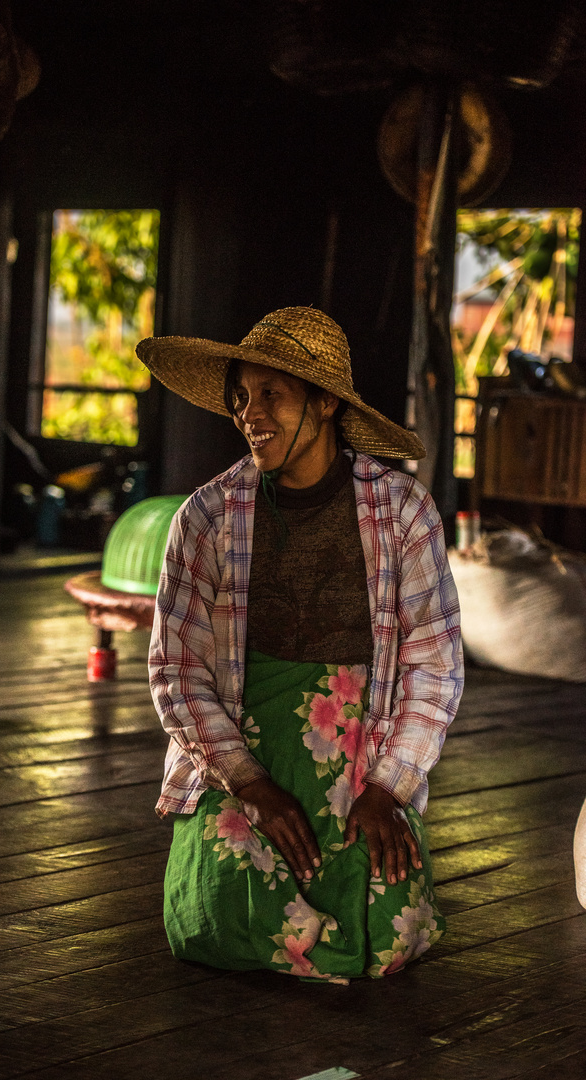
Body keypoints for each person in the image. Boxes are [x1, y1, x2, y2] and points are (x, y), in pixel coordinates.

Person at [135, 306, 463, 983]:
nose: (250, 414)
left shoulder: (402, 513)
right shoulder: (205, 517)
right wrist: (250, 785)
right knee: (214, 913)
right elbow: (177, 671)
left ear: (322, 404)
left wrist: (389, 790)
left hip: (358, 758)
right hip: (238, 756)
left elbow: (433, 667)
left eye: (271, 395)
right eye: (241, 399)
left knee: (389, 931)